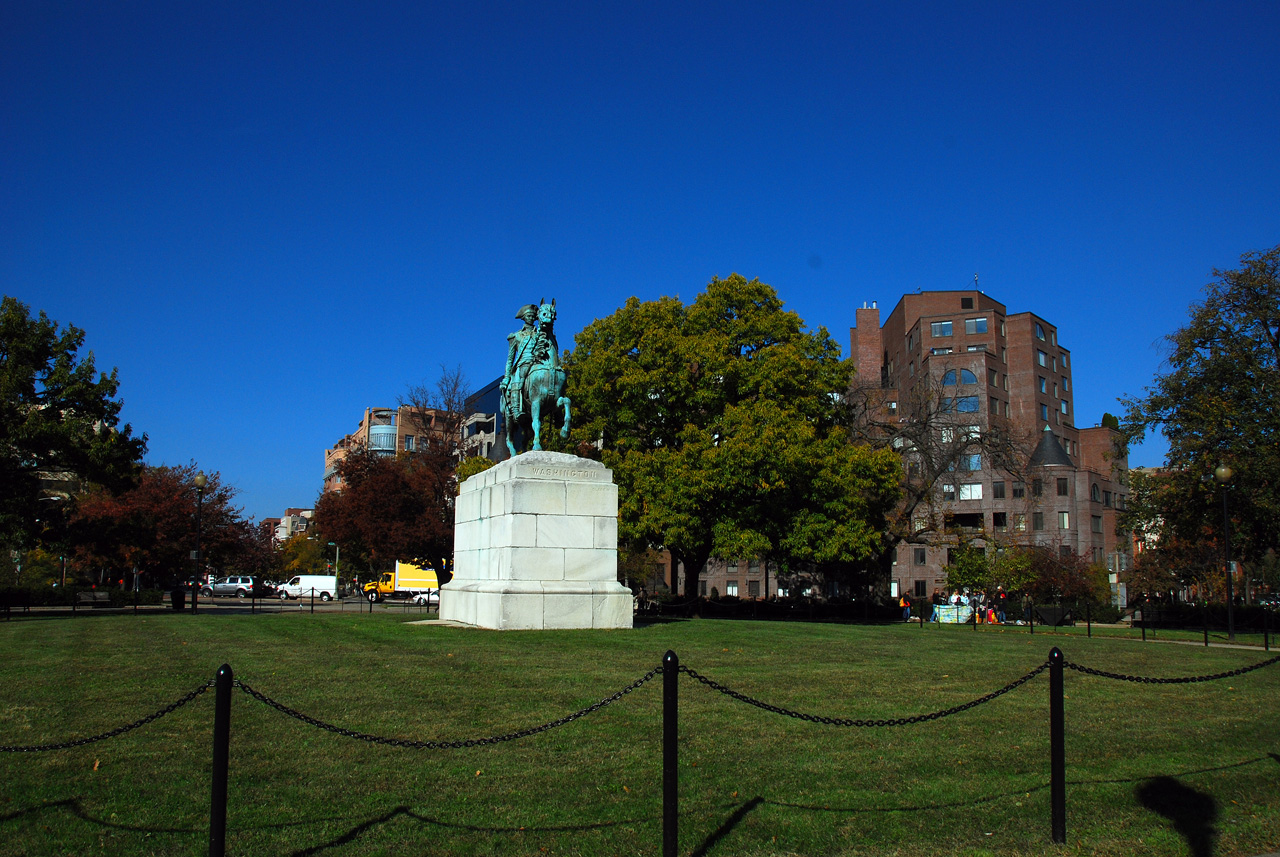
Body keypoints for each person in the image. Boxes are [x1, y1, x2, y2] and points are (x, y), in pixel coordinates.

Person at [501, 304, 540, 420]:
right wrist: (507, 377)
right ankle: (516, 409)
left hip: (538, 362)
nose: (531, 318)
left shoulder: (540, 334)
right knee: (519, 380)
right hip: (523, 363)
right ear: (523, 317)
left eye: (533, 316)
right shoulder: (516, 336)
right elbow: (510, 359)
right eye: (528, 316)